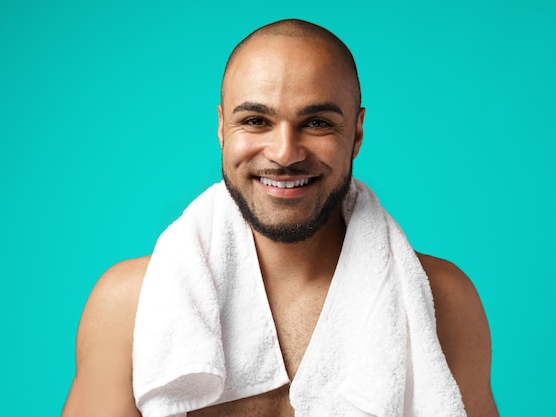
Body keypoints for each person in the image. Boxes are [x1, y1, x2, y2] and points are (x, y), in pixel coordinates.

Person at [62, 19, 498, 417]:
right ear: (221, 129)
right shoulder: (130, 305)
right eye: (255, 120)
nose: (285, 153)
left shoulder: (442, 301)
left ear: (357, 133)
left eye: (317, 122)